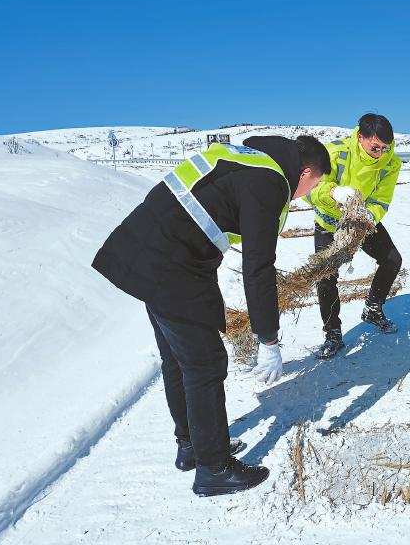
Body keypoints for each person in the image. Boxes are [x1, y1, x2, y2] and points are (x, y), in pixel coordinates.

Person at [92, 135, 330, 495]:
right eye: (314, 185)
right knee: (205, 363)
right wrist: (268, 338)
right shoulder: (270, 181)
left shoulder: (247, 157)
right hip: (174, 261)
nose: (308, 193)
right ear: (307, 171)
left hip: (145, 244)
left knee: (178, 357)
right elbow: (259, 267)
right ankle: (214, 467)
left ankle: (192, 445)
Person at [305, 113, 403, 359]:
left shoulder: (391, 163)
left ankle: (373, 308)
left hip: (361, 220)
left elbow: (382, 199)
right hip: (329, 221)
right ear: (360, 137)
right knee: (326, 276)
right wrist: (334, 192)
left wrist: (368, 217)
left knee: (392, 259)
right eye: (375, 147)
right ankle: (333, 334)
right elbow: (311, 190)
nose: (379, 153)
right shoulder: (334, 153)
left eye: (384, 148)